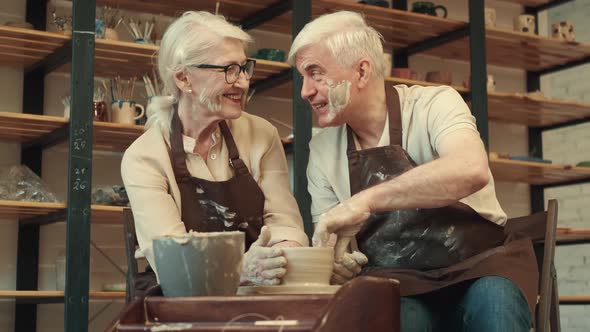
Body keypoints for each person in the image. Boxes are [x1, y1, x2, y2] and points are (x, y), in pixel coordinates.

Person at [288, 11, 538, 332]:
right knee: (395, 319)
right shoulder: (322, 150)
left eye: (315, 73)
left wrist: (363, 201)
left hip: (479, 266)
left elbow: (470, 169)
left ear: (361, 71)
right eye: (302, 77)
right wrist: (336, 264)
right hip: (399, 282)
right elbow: (336, 250)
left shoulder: (434, 103)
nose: (305, 91)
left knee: (495, 306)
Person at [121, 11, 308, 293]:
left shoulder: (262, 134)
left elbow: (283, 221)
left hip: (257, 290)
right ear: (184, 79)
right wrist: (240, 269)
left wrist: (281, 252)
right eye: (229, 70)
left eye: (245, 68)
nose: (243, 82)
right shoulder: (145, 157)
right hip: (182, 297)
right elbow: (173, 262)